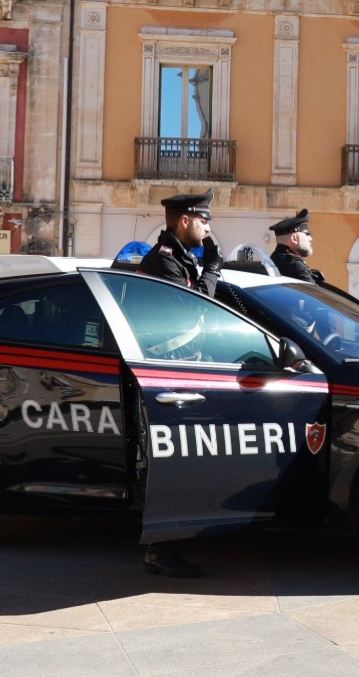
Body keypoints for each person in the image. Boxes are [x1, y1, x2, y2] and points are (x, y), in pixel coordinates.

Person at [135, 190, 223, 578]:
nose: (208, 227)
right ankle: (159, 550)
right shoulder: (165, 262)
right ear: (184, 221)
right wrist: (213, 269)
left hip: (180, 377)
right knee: (170, 468)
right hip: (165, 381)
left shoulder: (179, 258)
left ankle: (168, 543)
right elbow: (195, 307)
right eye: (203, 220)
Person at [269, 209, 324, 283]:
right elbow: (313, 293)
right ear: (294, 238)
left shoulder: (275, 258)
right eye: (307, 234)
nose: (311, 239)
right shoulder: (294, 265)